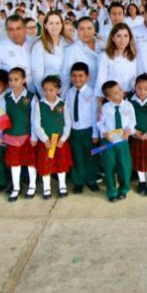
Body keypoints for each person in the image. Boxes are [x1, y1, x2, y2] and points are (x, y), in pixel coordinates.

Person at [64, 62, 99, 195]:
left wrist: (95, 133)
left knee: (91, 156)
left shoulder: (92, 93)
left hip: (89, 129)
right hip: (75, 130)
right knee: (77, 156)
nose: (77, 79)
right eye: (74, 76)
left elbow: (95, 114)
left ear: (87, 77)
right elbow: (66, 114)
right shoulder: (69, 93)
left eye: (81, 76)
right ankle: (78, 181)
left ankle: (91, 180)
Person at [2, 67, 36, 202]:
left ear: (24, 80)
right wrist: (1, 135)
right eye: (10, 80)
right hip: (11, 136)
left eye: (16, 79)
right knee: (14, 163)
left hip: (27, 135)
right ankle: (16, 187)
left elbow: (34, 118)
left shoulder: (31, 97)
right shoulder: (6, 98)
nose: (13, 83)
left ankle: (32, 186)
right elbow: (1, 118)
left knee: (30, 162)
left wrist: (34, 136)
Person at [97, 80, 135, 202]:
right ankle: (112, 191)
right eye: (115, 93)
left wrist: (129, 130)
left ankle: (123, 189)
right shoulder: (105, 107)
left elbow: (132, 121)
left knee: (124, 166)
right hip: (109, 142)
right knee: (109, 167)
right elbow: (99, 122)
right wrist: (104, 132)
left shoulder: (128, 106)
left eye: (119, 90)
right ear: (108, 97)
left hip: (122, 141)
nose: (119, 93)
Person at [30, 11, 70, 92]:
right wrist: (47, 96)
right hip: (48, 92)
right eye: (51, 23)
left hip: (67, 91)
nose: (55, 26)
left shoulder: (68, 43)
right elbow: (37, 75)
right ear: (45, 25)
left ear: (62, 25)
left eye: (57, 23)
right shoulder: (39, 46)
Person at [96, 23, 138, 96]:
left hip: (129, 96)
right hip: (112, 97)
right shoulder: (105, 56)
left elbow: (134, 77)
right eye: (119, 36)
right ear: (113, 38)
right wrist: (100, 100)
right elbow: (100, 80)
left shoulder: (132, 55)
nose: (122, 40)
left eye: (126, 36)